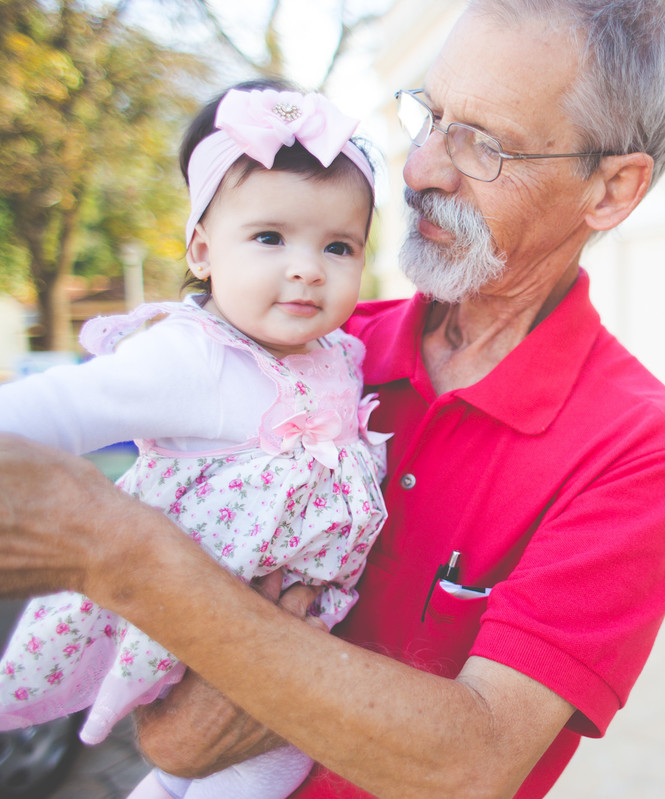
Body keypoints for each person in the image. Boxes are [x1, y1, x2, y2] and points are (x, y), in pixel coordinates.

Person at [0, 1, 665, 797]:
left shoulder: (639, 446)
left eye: (481, 143)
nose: (419, 169)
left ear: (611, 189)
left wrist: (122, 552)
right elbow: (172, 735)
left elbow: (471, 761)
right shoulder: (313, 352)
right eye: (432, 116)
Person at [0, 83, 388, 799]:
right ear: (204, 251)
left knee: (216, 769)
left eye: (338, 246)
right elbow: (59, 407)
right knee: (241, 767)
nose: (307, 266)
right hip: (198, 618)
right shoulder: (193, 356)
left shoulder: (338, 354)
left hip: (285, 636)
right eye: (270, 238)